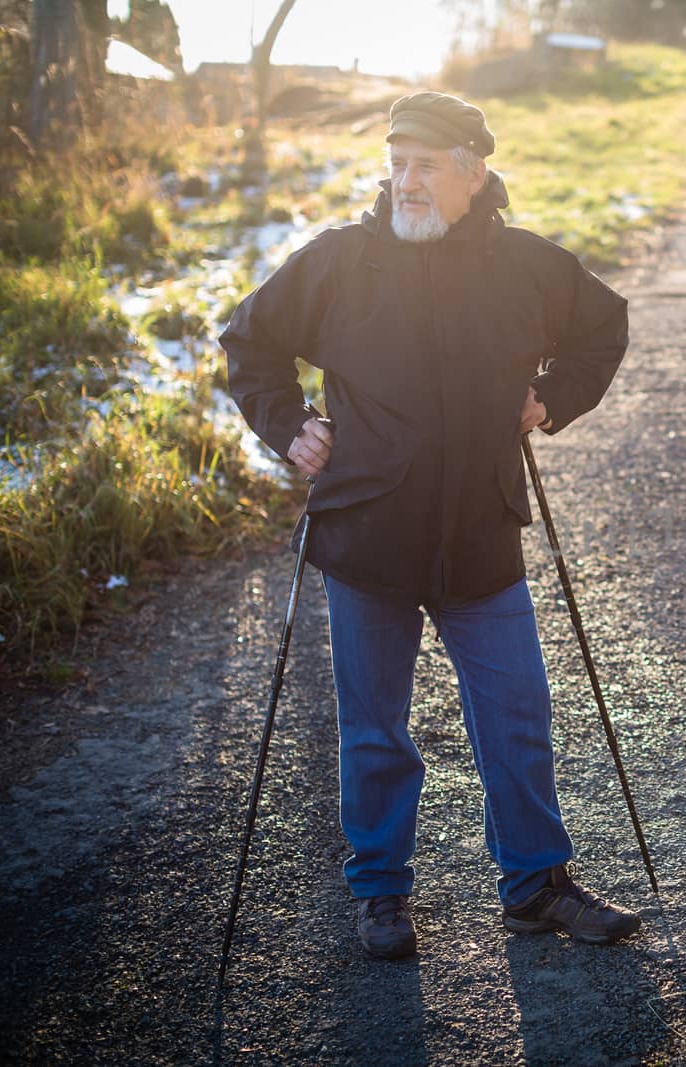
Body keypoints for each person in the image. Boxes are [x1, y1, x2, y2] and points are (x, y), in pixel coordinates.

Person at [221, 90, 638, 959]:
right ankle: (380, 894)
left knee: (518, 710)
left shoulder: (525, 265)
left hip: (483, 527)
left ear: (472, 172)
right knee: (375, 727)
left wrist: (553, 397)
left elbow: (604, 326)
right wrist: (288, 422)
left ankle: (535, 884)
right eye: (395, 162)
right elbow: (248, 340)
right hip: (366, 533)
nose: (405, 181)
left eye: (425, 165)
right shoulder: (340, 262)